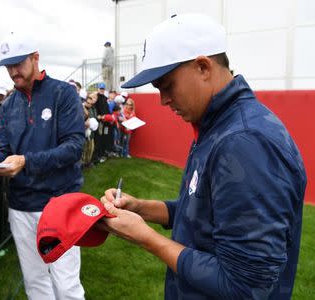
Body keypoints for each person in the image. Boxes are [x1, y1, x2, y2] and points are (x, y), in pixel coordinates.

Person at [100, 14, 306, 300]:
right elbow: (201, 213)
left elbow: (246, 287)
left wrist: (147, 238)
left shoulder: (244, 142)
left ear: (202, 67)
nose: (163, 100)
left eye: (167, 85)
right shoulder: (217, 124)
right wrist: (141, 208)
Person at [0, 34, 86, 300]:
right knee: (35, 282)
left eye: (18, 63)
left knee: (66, 285)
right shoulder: (9, 104)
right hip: (20, 204)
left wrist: (27, 161)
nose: (13, 71)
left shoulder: (63, 93)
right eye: (8, 66)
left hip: (59, 202)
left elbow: (74, 146)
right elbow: (5, 152)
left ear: (35, 57)